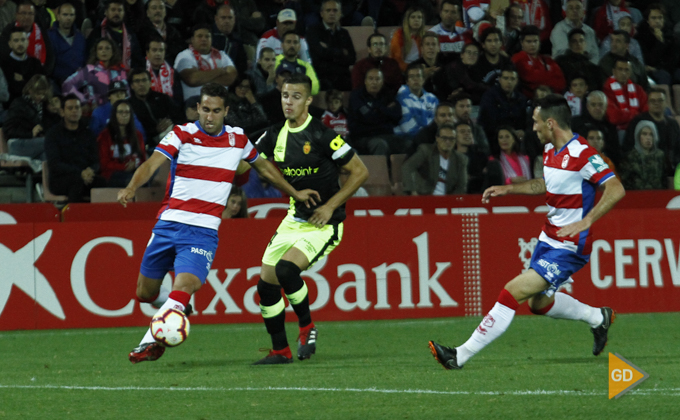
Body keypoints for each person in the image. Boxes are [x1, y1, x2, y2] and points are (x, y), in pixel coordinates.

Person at [121, 82, 321, 364]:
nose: (210, 116)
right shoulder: (182, 134)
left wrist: (294, 192)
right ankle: (177, 308)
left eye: (216, 111)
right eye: (205, 109)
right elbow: (152, 163)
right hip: (168, 224)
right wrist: (131, 187)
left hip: (202, 231)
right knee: (145, 293)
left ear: (226, 111)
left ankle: (151, 341)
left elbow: (264, 168)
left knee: (186, 283)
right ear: (198, 109)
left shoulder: (238, 139)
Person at [429, 94, 626, 370]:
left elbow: (616, 189)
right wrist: (509, 189)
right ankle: (598, 317)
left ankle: (459, 355)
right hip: (549, 238)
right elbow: (544, 186)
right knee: (538, 303)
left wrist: (586, 221)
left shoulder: (583, 154)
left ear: (550, 122)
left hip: (570, 246)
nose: (533, 128)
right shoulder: (550, 150)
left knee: (512, 292)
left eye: (536, 122)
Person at [251, 73, 368, 364]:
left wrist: (330, 207)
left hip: (324, 223)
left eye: (296, 97)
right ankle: (280, 350)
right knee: (265, 287)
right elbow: (253, 163)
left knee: (287, 271)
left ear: (309, 100)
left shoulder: (323, 135)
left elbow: (360, 172)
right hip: (294, 218)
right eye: (284, 96)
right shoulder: (273, 134)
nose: (288, 102)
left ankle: (306, 326)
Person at [44, 94, 108, 202]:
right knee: (76, 182)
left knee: (102, 182)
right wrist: (80, 173)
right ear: (62, 112)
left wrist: (90, 170)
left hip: (85, 177)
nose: (74, 111)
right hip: (61, 179)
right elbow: (55, 164)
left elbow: (96, 161)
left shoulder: (88, 133)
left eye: (77, 108)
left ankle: (100, 218)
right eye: (70, 108)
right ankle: (75, 217)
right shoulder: (53, 134)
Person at [623, 87, 680, 177]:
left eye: (660, 100)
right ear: (648, 103)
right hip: (644, 169)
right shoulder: (638, 121)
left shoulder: (673, 124)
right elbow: (628, 147)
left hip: (670, 170)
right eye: (653, 101)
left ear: (666, 103)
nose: (657, 103)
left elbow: (677, 148)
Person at [62, 38, 128, 114]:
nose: (104, 51)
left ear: (113, 52)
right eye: (100, 49)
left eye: (107, 48)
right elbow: (67, 85)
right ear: (96, 53)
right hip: (96, 113)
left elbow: (127, 93)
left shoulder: (120, 70)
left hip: (118, 113)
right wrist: (83, 102)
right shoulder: (89, 70)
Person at [347, 68, 402, 157]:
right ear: (365, 81)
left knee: (408, 143)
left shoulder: (387, 94)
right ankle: (379, 171)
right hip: (362, 137)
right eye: (371, 79)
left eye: (377, 79)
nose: (374, 82)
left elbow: (397, 114)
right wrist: (385, 111)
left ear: (382, 81)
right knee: (380, 144)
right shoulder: (357, 96)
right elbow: (368, 117)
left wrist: (377, 109)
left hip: (385, 135)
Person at [174, 24, 237, 100]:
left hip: (219, 102)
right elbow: (192, 79)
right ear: (192, 40)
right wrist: (220, 71)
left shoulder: (222, 55)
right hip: (195, 103)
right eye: (200, 36)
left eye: (207, 36)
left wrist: (201, 77)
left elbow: (231, 77)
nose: (204, 39)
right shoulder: (184, 56)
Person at [402, 123, 467, 195]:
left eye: (451, 139)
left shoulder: (460, 159)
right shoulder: (426, 151)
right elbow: (407, 167)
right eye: (444, 138)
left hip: (448, 199)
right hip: (425, 196)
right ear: (437, 139)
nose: (448, 142)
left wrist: (452, 201)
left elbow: (461, 186)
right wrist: (412, 190)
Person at [306, 0, 356, 92]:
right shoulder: (313, 31)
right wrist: (341, 52)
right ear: (321, 13)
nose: (332, 13)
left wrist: (328, 49)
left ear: (340, 13)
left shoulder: (344, 33)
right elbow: (318, 56)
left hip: (342, 78)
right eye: (328, 10)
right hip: (322, 76)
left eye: (335, 10)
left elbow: (352, 58)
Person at [97, 99, 146, 187]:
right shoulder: (105, 135)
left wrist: (135, 164)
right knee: (134, 180)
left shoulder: (137, 135)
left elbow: (142, 158)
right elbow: (104, 163)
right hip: (112, 174)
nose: (124, 115)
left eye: (127, 112)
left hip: (134, 171)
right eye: (120, 112)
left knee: (145, 176)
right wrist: (124, 166)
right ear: (114, 115)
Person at [3, 74, 53, 160]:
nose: (41, 97)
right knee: (51, 142)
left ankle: (42, 173)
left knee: (46, 155)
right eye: (38, 94)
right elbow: (8, 129)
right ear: (30, 90)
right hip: (16, 143)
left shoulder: (43, 107)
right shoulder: (19, 104)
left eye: (43, 94)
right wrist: (30, 133)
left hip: (35, 144)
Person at [477, 65, 528, 144]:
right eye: (506, 78)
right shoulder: (490, 96)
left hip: (515, 138)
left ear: (517, 81)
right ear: (500, 80)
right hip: (493, 137)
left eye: (512, 79)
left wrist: (522, 131)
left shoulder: (521, 98)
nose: (509, 82)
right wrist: (511, 132)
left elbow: (524, 120)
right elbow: (490, 122)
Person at [511, 25, 565, 99]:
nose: (532, 45)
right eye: (529, 42)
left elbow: (561, 83)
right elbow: (531, 78)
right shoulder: (518, 58)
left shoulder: (548, 60)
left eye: (535, 41)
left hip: (552, 98)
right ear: (522, 43)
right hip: (529, 99)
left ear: (539, 42)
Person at [572, 90, 622, 167]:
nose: (597, 108)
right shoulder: (575, 123)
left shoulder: (611, 127)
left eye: (600, 105)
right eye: (593, 105)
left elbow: (615, 153)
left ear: (606, 106)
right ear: (588, 106)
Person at [635, 3, 680, 86]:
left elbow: (674, 58)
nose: (657, 21)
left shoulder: (670, 35)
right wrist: (659, 42)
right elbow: (649, 60)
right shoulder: (641, 36)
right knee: (663, 76)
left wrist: (659, 68)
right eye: (653, 18)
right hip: (650, 70)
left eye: (660, 18)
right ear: (648, 20)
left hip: (666, 68)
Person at [394, 63, 438, 141]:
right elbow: (406, 126)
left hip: (428, 138)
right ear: (407, 81)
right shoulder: (401, 97)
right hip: (404, 138)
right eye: (411, 77)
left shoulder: (432, 99)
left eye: (418, 76)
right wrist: (426, 136)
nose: (415, 79)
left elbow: (436, 121)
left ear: (423, 79)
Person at [602, 58, 648, 131]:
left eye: (626, 70)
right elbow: (614, 117)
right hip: (617, 130)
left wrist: (627, 115)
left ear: (630, 72)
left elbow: (646, 112)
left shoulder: (638, 89)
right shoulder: (607, 89)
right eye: (620, 69)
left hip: (639, 128)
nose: (623, 73)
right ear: (614, 71)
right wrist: (636, 114)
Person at [0, 28, 43, 105]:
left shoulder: (35, 63)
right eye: (16, 40)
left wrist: (23, 80)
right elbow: (11, 90)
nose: (20, 44)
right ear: (10, 44)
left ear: (27, 42)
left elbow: (41, 87)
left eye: (23, 40)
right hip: (11, 108)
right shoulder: (3, 64)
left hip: (35, 106)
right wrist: (29, 81)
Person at [48, 1, 87, 85]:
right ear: (58, 16)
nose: (68, 18)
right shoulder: (49, 36)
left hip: (79, 83)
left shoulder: (80, 37)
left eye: (71, 15)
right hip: (57, 83)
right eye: (65, 15)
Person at [620, 120, 666, 190]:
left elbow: (665, 180)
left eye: (651, 134)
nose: (648, 138)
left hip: (657, 196)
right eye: (644, 134)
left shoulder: (660, 156)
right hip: (636, 197)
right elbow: (624, 181)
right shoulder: (630, 157)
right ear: (638, 136)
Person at [554, 29, 603, 93]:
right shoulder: (561, 62)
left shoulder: (592, 67)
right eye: (574, 41)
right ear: (569, 44)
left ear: (585, 43)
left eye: (581, 41)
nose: (578, 44)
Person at [273, 31, 320, 96]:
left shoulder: (305, 65)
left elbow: (314, 88)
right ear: (282, 45)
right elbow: (271, 83)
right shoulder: (275, 61)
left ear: (299, 46)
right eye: (288, 42)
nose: (292, 45)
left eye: (295, 42)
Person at [138, 0, 184, 65]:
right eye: (154, 8)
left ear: (165, 12)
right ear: (147, 13)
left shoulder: (174, 31)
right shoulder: (141, 32)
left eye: (161, 8)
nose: (158, 11)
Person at [428, 0, 473, 65]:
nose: (449, 15)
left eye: (453, 12)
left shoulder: (465, 34)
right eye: (446, 11)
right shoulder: (432, 34)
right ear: (440, 13)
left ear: (458, 15)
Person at [210, 2, 248, 76]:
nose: (227, 21)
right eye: (223, 18)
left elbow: (241, 66)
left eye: (230, 18)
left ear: (234, 20)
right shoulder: (208, 37)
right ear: (216, 19)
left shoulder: (237, 40)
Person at [144, 37, 182, 101]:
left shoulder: (173, 73)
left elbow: (178, 99)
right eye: (154, 50)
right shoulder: (141, 71)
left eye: (161, 50)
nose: (158, 54)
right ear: (147, 53)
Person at [390, 6, 426, 72]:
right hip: (404, 70)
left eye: (419, 17)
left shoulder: (425, 36)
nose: (416, 20)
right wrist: (411, 69)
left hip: (420, 70)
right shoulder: (399, 35)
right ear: (407, 20)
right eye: (413, 17)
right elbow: (397, 58)